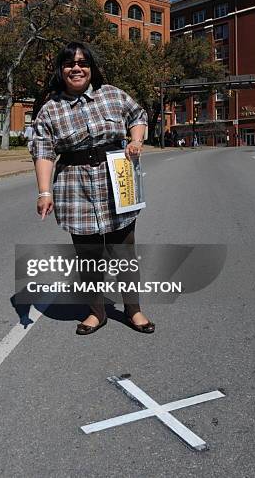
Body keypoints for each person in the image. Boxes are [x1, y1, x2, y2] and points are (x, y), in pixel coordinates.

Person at [31, 42, 155, 336]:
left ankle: (134, 309)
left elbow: (137, 115)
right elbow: (43, 151)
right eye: (70, 64)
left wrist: (136, 140)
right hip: (75, 185)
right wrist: (44, 192)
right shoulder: (50, 110)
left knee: (124, 250)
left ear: (91, 68)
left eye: (83, 63)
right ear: (61, 70)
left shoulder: (111, 94)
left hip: (117, 178)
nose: (77, 68)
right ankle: (96, 312)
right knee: (87, 255)